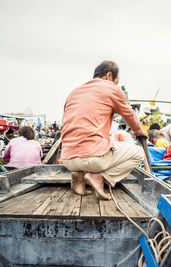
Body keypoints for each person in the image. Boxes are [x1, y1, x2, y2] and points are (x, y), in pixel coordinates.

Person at [61, 60, 147, 200]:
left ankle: (79, 176)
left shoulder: (74, 92)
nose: (116, 85)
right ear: (109, 75)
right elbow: (129, 115)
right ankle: (98, 177)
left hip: (68, 159)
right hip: (93, 158)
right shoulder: (111, 88)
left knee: (91, 153)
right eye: (116, 81)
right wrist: (140, 132)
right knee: (138, 153)